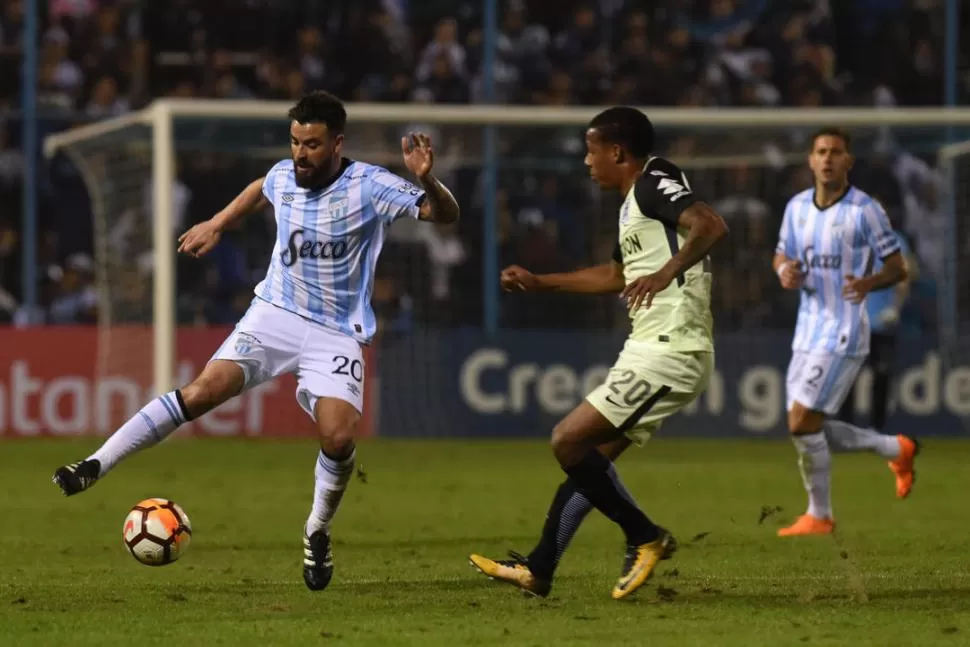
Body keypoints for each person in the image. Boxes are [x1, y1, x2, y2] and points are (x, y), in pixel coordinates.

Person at [52, 90, 460, 590]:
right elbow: (261, 188)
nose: (300, 154)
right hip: (274, 314)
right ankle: (95, 464)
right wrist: (217, 223)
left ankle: (316, 530)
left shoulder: (371, 186)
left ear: (337, 143)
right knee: (201, 392)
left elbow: (445, 215)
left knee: (338, 437)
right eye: (294, 142)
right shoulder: (284, 175)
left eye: (311, 144)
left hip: (336, 330)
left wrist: (426, 180)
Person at [468, 107, 728, 600]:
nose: (587, 162)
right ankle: (539, 569)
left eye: (591, 151)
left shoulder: (655, 182)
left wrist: (667, 272)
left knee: (566, 441)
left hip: (672, 347)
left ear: (616, 151)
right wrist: (542, 282)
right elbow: (614, 277)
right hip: (651, 345)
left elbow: (711, 225)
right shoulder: (634, 204)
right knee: (588, 466)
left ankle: (646, 536)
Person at [772, 127, 917, 538]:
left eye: (836, 152)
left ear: (848, 161)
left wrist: (869, 283)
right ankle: (895, 448)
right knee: (803, 425)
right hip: (807, 329)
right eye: (821, 151)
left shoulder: (865, 210)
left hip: (845, 329)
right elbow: (781, 253)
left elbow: (897, 266)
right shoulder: (796, 208)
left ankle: (820, 514)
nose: (828, 158)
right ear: (810, 160)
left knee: (802, 422)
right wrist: (785, 270)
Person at [838, 228, 916, 431]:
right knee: (847, 377)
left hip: (882, 323)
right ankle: (846, 427)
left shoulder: (895, 240)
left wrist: (895, 308)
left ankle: (876, 427)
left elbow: (905, 276)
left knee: (881, 375)